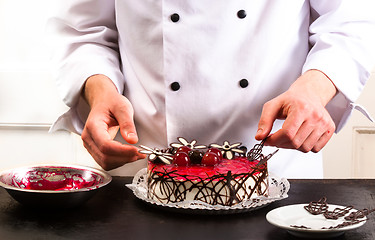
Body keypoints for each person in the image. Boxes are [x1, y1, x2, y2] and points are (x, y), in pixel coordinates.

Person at [48, 1, 375, 178]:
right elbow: (85, 31)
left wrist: (315, 89)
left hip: (275, 168)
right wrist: (99, 89)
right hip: (146, 171)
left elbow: (349, 22)